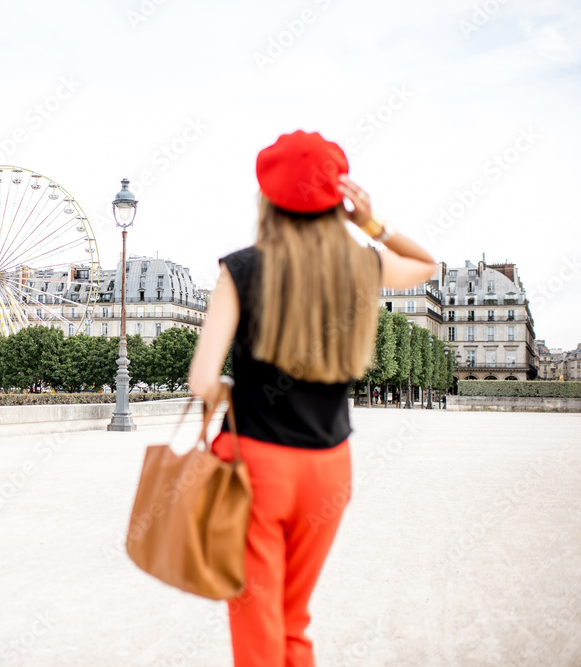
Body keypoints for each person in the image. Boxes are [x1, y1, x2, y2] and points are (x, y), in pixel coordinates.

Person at [187, 130, 437, 667]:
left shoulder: (241, 269)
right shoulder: (361, 268)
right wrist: (370, 223)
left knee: (257, 625)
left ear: (268, 201)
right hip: (328, 468)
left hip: (255, 468)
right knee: (293, 618)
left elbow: (201, 381)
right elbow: (425, 265)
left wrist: (231, 389)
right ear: (335, 202)